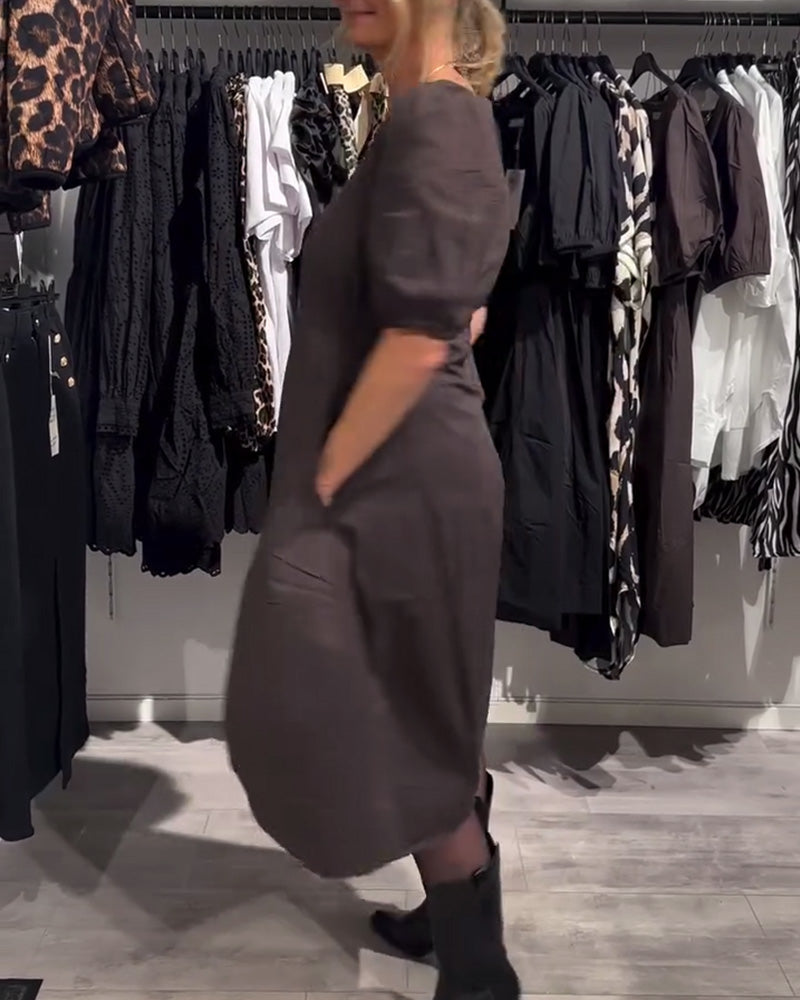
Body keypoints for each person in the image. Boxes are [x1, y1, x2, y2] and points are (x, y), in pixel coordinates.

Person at [225, 0, 516, 994]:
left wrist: (325, 477)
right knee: (411, 709)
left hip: (395, 485)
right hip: (403, 474)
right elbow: (457, 313)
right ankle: (452, 920)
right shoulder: (421, 120)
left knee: (391, 717)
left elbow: (424, 335)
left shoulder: (438, 117)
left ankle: (480, 973)